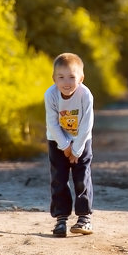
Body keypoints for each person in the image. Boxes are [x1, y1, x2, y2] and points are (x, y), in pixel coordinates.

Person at [44, 52, 95, 237]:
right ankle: (61, 219)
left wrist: (76, 149)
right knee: (59, 178)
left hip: (82, 140)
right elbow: (52, 123)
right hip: (57, 141)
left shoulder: (85, 95)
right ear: (54, 79)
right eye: (61, 77)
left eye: (72, 77)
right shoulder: (50, 95)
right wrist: (65, 147)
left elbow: (87, 124)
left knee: (82, 178)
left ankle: (84, 218)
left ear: (81, 78)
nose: (66, 82)